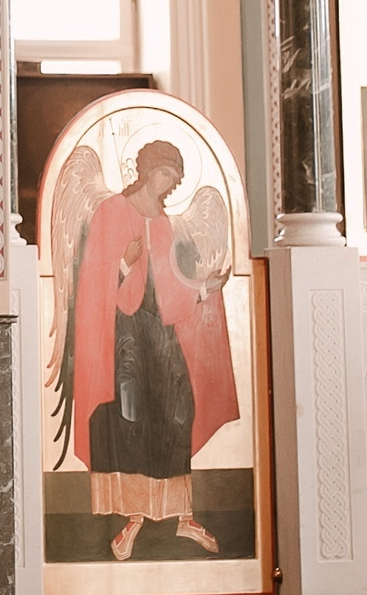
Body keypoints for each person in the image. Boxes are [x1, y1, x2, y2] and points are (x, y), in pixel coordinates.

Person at [61, 141, 239, 561]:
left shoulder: (161, 223)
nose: (169, 186)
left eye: (175, 180)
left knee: (178, 409)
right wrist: (123, 264)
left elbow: (171, 285)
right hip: (122, 333)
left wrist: (204, 289)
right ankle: (133, 521)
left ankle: (182, 515)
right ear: (147, 172)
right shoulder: (111, 212)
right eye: (166, 176)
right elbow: (93, 279)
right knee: (129, 418)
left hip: (159, 331)